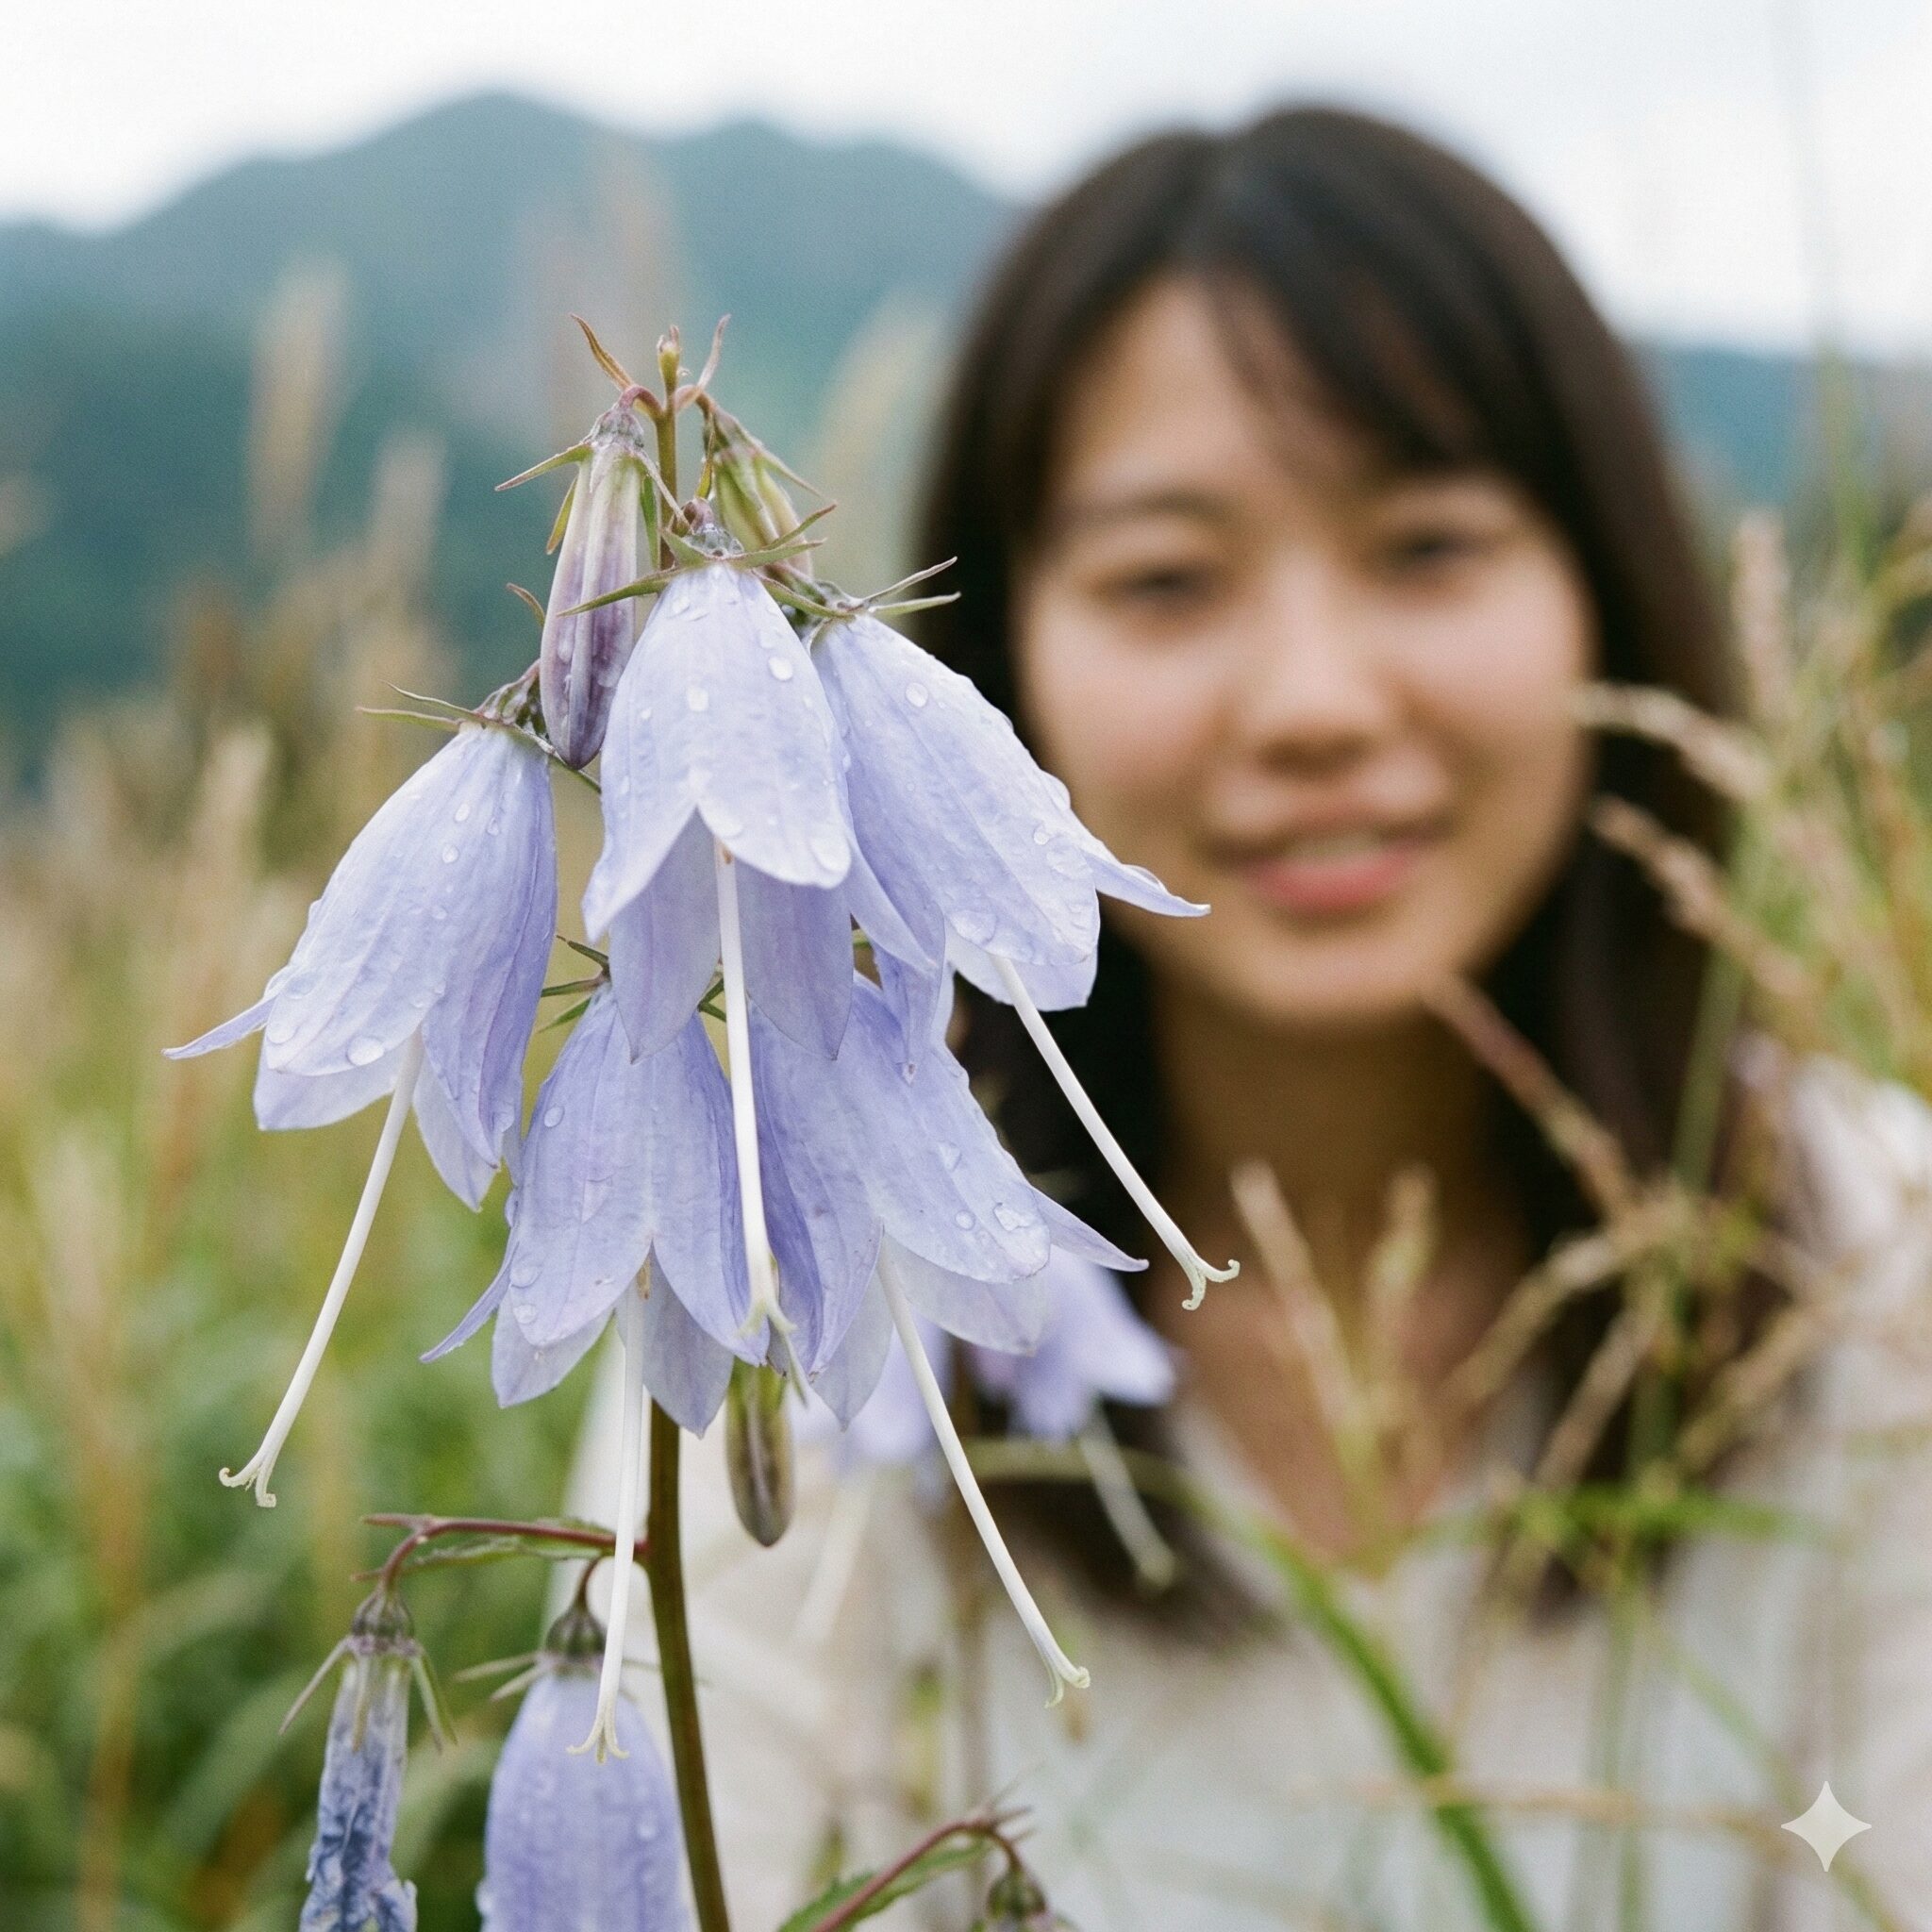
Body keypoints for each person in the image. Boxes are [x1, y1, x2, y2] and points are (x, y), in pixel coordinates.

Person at [570, 107, 1932, 1929]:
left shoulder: (1887, 1267)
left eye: (1427, 547)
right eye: (1167, 578)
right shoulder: (806, 1258)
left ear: (1607, 583)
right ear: (1003, 664)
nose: (1309, 702)